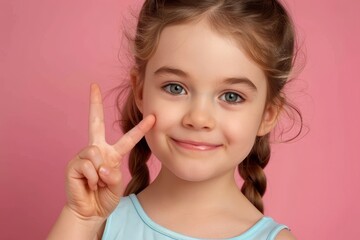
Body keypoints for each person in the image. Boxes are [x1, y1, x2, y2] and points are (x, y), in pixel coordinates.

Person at [48, 0, 301, 239]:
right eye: (175, 88)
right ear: (140, 91)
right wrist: (80, 219)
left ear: (267, 115)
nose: (198, 118)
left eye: (232, 96)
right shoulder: (98, 224)